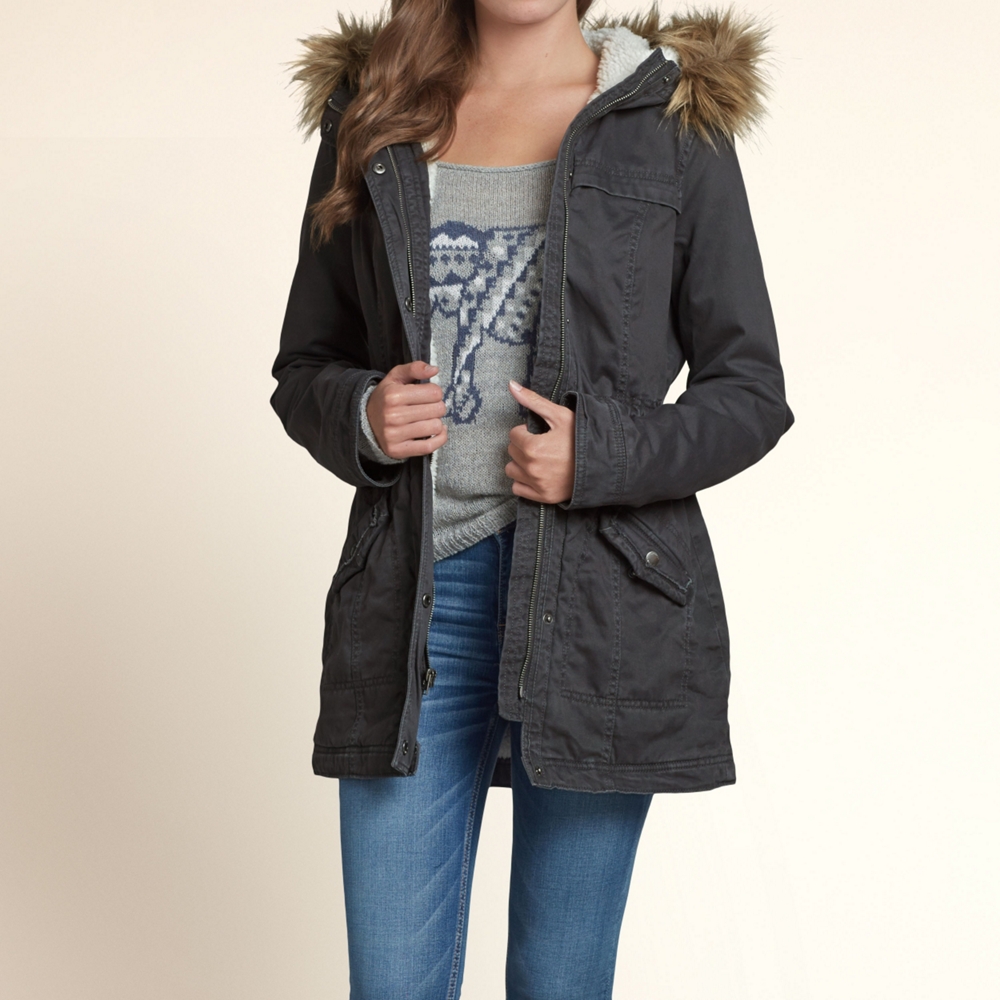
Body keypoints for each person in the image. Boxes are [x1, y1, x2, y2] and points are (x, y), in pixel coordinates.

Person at [270, 0, 793, 996]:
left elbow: (750, 391)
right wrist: (364, 413)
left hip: (602, 606)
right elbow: (306, 365)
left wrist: (600, 454)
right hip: (419, 601)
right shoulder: (372, 108)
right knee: (393, 983)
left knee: (560, 980)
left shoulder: (666, 115)